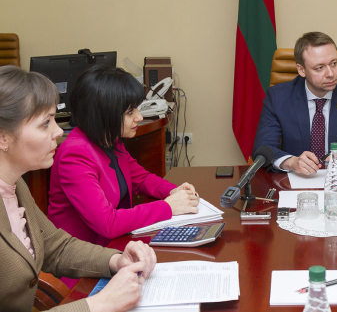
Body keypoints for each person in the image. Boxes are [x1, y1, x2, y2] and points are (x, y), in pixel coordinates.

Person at [0, 66, 157, 312]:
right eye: (45, 124)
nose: (58, 131)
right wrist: (98, 304)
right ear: (3, 137)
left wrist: (116, 259)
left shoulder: (16, 185)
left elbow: (56, 247)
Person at [48, 65, 199, 249]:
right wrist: (167, 207)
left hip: (115, 245)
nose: (139, 117)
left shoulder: (110, 139)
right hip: (84, 258)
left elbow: (141, 179)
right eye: (130, 112)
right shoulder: (74, 155)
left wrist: (174, 191)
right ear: (104, 115)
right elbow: (108, 223)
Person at [253, 31, 337, 175]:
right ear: (301, 70)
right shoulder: (278, 97)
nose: (330, 73)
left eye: (334, 64)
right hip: (296, 181)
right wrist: (291, 162)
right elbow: (263, 147)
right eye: (319, 68)